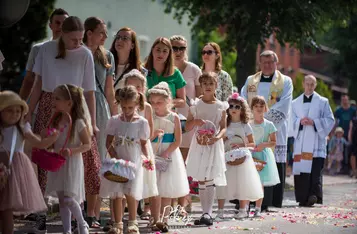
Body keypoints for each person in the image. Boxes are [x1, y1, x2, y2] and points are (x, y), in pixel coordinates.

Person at [26, 16, 97, 232]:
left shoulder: (85, 53)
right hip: (50, 103)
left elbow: (89, 92)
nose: (78, 43)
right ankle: (40, 216)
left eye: (80, 38)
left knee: (79, 162)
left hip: (75, 105)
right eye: (73, 39)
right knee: (44, 159)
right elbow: (37, 84)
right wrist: (28, 111)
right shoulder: (46, 50)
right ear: (62, 35)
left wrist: (92, 122)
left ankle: (78, 219)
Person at [0, 91, 58, 234]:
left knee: (6, 208)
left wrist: (52, 138)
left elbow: (39, 143)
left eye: (18, 111)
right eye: (9, 111)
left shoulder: (22, 129)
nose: (14, 114)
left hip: (14, 170)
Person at [241, 50, 293, 209]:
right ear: (260, 64)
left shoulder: (285, 81)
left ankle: (272, 201)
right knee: (252, 163)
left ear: (276, 63)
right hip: (253, 128)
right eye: (264, 62)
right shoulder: (251, 80)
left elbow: (284, 104)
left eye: (270, 62)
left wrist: (263, 121)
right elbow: (244, 100)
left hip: (274, 128)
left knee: (272, 163)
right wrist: (254, 121)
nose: (267, 65)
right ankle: (251, 200)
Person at [100, 86, 149, 234]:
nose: (127, 110)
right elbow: (108, 142)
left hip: (133, 160)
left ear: (136, 104)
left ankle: (133, 223)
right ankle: (117, 224)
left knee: (131, 192)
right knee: (117, 193)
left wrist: (147, 158)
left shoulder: (141, 122)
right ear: (119, 103)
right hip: (118, 161)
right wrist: (116, 157)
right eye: (124, 107)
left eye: (130, 107)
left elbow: (143, 143)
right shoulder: (114, 121)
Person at [83, 16, 117, 227]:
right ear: (89, 33)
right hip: (80, 105)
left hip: (101, 107)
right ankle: (78, 210)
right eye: (101, 32)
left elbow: (109, 90)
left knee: (98, 160)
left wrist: (115, 119)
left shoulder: (107, 56)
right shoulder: (77, 52)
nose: (105, 36)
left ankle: (93, 213)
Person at [45, 84, 92, 234]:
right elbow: (49, 140)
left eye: (57, 99)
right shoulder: (55, 121)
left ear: (69, 103)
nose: (54, 101)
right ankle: (67, 230)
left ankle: (82, 222)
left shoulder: (78, 123)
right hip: (58, 162)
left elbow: (87, 145)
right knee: (62, 199)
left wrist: (71, 151)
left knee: (69, 199)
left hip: (72, 163)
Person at [186, 72, 228, 226]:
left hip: (213, 144)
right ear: (201, 86)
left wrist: (217, 137)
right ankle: (205, 211)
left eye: (211, 84)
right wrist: (195, 121)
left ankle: (208, 213)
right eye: (205, 84)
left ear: (216, 86)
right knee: (202, 178)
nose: (208, 87)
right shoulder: (195, 105)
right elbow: (187, 125)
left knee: (210, 176)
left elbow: (224, 127)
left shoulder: (220, 106)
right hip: (199, 144)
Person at [147, 82, 189, 232]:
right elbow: (146, 137)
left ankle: (163, 220)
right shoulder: (150, 116)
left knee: (167, 189)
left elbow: (178, 140)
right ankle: (154, 218)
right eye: (152, 102)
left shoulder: (174, 117)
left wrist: (168, 151)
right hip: (153, 150)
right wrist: (153, 135)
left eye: (159, 102)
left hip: (169, 154)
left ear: (167, 102)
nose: (155, 105)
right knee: (154, 188)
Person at [215, 93, 263, 220]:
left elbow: (252, 144)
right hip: (226, 156)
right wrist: (224, 140)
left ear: (242, 109)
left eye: (237, 106)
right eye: (231, 106)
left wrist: (242, 144)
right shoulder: (225, 124)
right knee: (223, 184)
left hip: (242, 158)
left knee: (243, 182)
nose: (234, 109)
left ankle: (243, 209)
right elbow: (219, 138)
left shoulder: (245, 125)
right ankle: (220, 211)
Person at [291, 75, 334, 207]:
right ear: (303, 84)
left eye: (312, 84)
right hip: (301, 143)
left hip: (316, 142)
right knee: (302, 170)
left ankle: (313, 195)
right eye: (307, 83)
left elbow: (330, 119)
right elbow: (290, 122)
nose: (309, 86)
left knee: (315, 170)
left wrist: (314, 122)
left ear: (315, 85)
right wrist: (299, 122)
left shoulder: (323, 102)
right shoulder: (295, 103)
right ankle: (302, 198)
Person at [170, 35, 202, 213]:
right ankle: (171, 202)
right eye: (174, 48)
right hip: (168, 120)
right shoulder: (165, 69)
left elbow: (199, 99)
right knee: (171, 163)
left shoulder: (193, 70)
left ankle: (184, 202)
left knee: (184, 164)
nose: (178, 52)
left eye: (181, 48)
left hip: (188, 122)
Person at [122, 69, 158, 221]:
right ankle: (122, 213)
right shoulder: (123, 106)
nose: (135, 90)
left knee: (142, 180)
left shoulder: (146, 107)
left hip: (141, 146)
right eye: (131, 86)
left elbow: (149, 131)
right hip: (125, 145)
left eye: (138, 86)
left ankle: (145, 209)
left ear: (143, 88)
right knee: (125, 179)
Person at [19, 8, 69, 100]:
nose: (61, 26)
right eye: (57, 23)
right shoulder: (38, 49)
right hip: (40, 104)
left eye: (64, 23)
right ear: (50, 26)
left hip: (66, 105)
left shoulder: (75, 51)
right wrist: (21, 105)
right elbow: (29, 80)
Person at [250, 96, 280, 214]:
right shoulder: (249, 124)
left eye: (261, 106)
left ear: (265, 108)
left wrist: (264, 144)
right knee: (249, 181)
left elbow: (273, 142)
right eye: (256, 106)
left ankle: (258, 207)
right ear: (252, 108)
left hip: (262, 156)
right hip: (250, 155)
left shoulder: (269, 125)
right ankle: (246, 206)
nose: (259, 109)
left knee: (260, 182)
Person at [145, 37, 187, 108]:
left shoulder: (176, 73)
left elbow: (182, 101)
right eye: (158, 50)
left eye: (165, 51)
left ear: (169, 54)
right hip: (146, 114)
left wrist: (166, 102)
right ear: (152, 50)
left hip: (168, 116)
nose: (161, 54)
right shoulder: (142, 71)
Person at [334, 94, 356, 175]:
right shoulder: (339, 110)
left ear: (348, 100)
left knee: (350, 152)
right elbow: (335, 122)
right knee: (341, 151)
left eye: (346, 100)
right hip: (340, 134)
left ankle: (350, 168)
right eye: (343, 100)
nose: (344, 101)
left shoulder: (353, 110)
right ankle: (342, 168)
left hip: (351, 134)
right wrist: (333, 133)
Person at [348, 113, 357, 178]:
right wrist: (349, 137)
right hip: (355, 139)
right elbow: (350, 128)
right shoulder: (354, 119)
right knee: (353, 155)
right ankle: (354, 171)